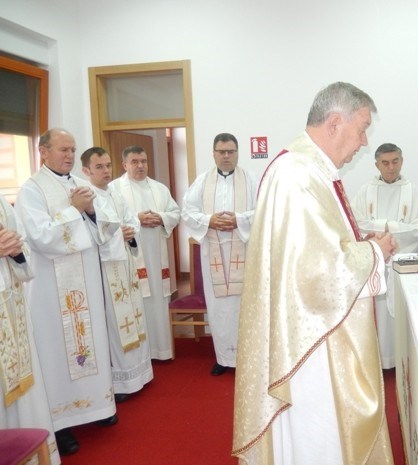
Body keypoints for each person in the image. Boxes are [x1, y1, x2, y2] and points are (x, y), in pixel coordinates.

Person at [232, 82, 397, 465]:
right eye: (362, 129)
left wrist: (360, 241)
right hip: (310, 342)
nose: (364, 141)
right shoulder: (298, 174)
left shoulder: (310, 169)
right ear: (335, 123)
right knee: (318, 435)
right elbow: (319, 274)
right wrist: (377, 251)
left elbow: (319, 247)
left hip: (312, 329)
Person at [14, 128, 118, 456]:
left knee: (90, 340)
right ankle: (61, 423)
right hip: (50, 287)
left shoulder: (79, 184)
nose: (70, 155)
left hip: (84, 281)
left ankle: (97, 405)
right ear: (43, 152)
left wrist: (91, 212)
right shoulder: (32, 190)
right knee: (56, 350)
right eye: (63, 149)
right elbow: (41, 237)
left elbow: (103, 229)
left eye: (73, 149)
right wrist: (74, 210)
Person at [181, 133, 258, 376]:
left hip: (243, 250)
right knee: (218, 307)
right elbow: (187, 211)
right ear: (213, 153)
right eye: (221, 152)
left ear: (237, 153)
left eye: (230, 151)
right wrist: (209, 221)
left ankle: (246, 357)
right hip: (213, 253)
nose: (226, 156)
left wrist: (239, 220)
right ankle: (223, 358)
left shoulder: (251, 180)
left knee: (243, 304)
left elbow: (264, 209)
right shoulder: (203, 181)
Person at [81, 147, 153, 400]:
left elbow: (131, 219)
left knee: (134, 317)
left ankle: (141, 373)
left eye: (108, 165)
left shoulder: (114, 193)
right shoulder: (86, 198)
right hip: (105, 271)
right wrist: (117, 235)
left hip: (125, 266)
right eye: (99, 167)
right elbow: (88, 234)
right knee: (115, 323)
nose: (106, 171)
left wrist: (130, 232)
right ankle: (122, 382)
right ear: (86, 170)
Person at [352, 142, 418, 369]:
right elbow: (356, 224)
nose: (391, 167)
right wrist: (388, 227)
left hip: (399, 266)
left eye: (395, 161)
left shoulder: (413, 191)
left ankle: (397, 360)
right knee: (376, 315)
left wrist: (383, 229)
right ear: (376, 164)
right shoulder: (365, 191)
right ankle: (377, 361)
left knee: (397, 317)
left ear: (402, 161)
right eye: (385, 163)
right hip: (373, 266)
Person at [0, 193, 61, 465]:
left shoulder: (1, 201)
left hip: (12, 308)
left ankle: (28, 451)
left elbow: (21, 241)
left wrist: (16, 251)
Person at [109, 146, 180, 360]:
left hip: (156, 255)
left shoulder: (159, 188)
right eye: (135, 161)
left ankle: (162, 350)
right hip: (130, 256)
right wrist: (136, 218)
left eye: (144, 161)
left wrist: (161, 218)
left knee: (157, 299)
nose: (140, 165)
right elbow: (108, 221)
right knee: (135, 300)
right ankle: (141, 354)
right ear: (124, 164)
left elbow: (175, 212)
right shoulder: (114, 189)